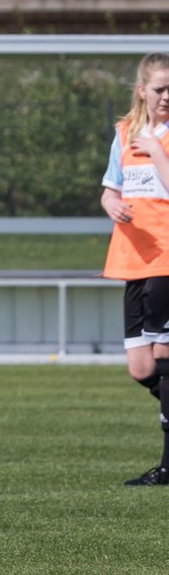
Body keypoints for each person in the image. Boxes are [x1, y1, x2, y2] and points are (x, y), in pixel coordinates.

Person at [100, 52, 169, 486]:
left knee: (164, 359)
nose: (166, 97)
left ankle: (167, 467)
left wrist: (158, 152)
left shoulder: (161, 140)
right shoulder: (124, 133)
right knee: (142, 369)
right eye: (160, 88)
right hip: (132, 260)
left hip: (167, 259)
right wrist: (111, 203)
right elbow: (109, 188)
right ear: (141, 90)